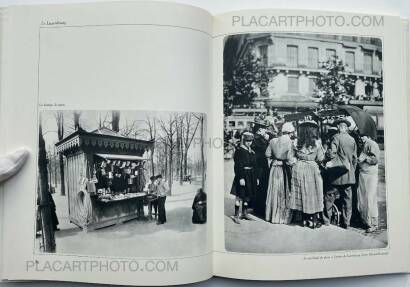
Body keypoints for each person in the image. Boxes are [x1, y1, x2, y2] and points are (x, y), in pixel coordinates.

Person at [288, 121, 325, 229]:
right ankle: (313, 220)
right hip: (312, 168)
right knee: (313, 193)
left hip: (299, 168)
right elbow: (320, 158)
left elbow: (290, 158)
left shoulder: (296, 142)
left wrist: (296, 161)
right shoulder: (317, 142)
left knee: (302, 193)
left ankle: (304, 220)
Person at [324, 118, 357, 229]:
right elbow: (354, 158)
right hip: (348, 175)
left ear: (338, 127)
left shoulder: (336, 137)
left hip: (336, 175)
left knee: (329, 196)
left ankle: (327, 220)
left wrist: (327, 151)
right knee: (347, 200)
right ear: (346, 127)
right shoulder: (352, 140)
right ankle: (346, 223)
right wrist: (351, 170)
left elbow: (331, 154)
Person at [265, 122, 295, 224]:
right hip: (283, 167)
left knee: (274, 190)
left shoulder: (273, 140)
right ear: (290, 133)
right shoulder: (290, 142)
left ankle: (271, 215)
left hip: (274, 167)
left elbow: (267, 154)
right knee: (283, 191)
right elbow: (290, 159)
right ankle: (282, 217)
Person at [230, 131, 258, 224]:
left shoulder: (252, 152)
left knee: (247, 195)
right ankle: (236, 214)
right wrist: (241, 177)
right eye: (247, 141)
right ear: (244, 140)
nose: (249, 143)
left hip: (251, 176)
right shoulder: (239, 151)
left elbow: (255, 165)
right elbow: (237, 165)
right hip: (242, 175)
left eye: (250, 141)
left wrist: (256, 178)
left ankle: (244, 213)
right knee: (239, 195)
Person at [357, 134, 380, 233]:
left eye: (363, 136)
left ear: (368, 135)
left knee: (370, 198)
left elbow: (375, 160)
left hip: (370, 174)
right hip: (363, 174)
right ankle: (366, 220)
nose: (361, 138)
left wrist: (365, 158)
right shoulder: (363, 144)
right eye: (360, 136)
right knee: (363, 198)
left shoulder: (372, 144)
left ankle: (373, 223)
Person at [251, 116, 270, 217]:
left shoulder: (256, 137)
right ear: (260, 129)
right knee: (262, 186)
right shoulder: (257, 139)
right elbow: (265, 150)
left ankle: (257, 207)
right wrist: (266, 140)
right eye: (264, 128)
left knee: (260, 186)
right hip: (260, 165)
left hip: (259, 164)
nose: (266, 130)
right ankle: (260, 209)